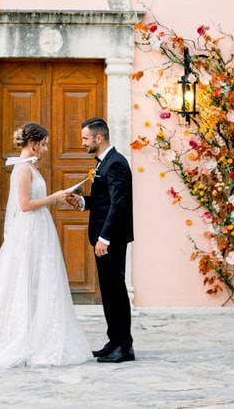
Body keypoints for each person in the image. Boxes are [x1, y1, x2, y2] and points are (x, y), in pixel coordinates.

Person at [0, 122, 92, 367]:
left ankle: (39, 331)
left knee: (41, 279)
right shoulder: (23, 169)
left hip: (40, 227)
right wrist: (54, 197)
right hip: (30, 229)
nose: (45, 149)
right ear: (32, 142)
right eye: (43, 144)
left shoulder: (30, 167)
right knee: (27, 278)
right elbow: (24, 205)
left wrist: (56, 197)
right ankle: (23, 333)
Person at [66, 116, 135, 363]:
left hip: (111, 238)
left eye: (85, 138)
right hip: (103, 237)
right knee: (108, 291)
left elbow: (119, 204)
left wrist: (105, 238)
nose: (82, 143)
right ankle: (114, 341)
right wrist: (83, 202)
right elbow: (104, 201)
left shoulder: (115, 164)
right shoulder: (103, 164)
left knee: (115, 290)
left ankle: (124, 346)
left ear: (98, 137)